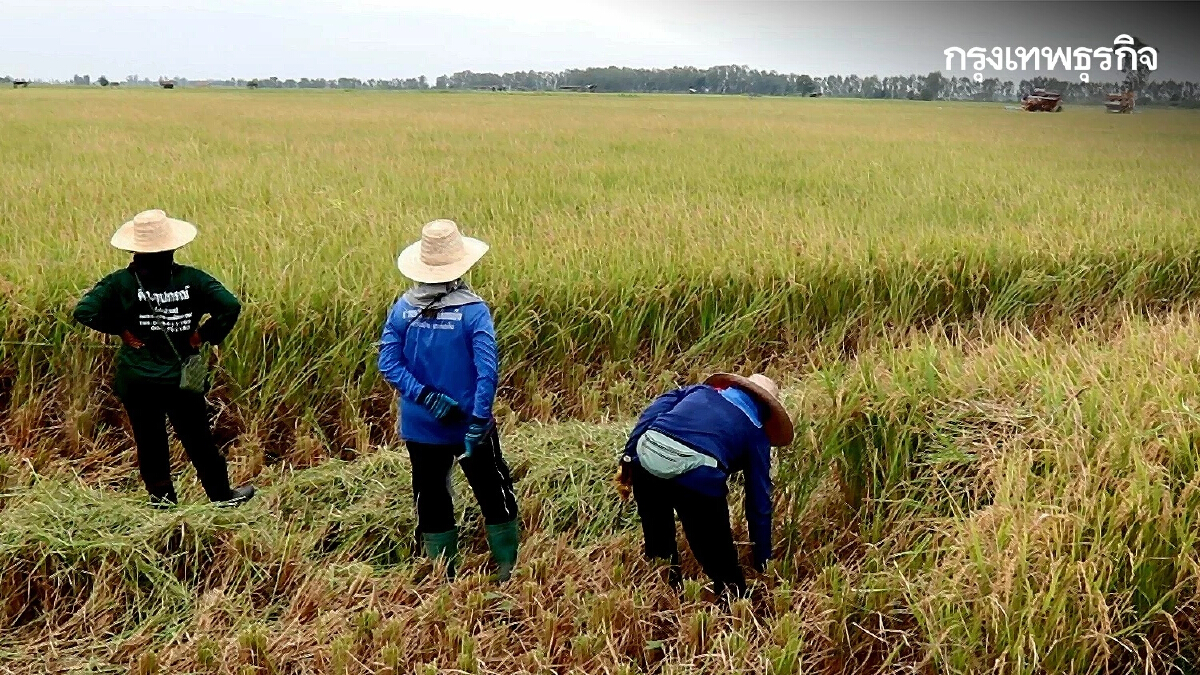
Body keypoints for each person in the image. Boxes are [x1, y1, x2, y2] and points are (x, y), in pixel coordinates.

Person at [74, 209, 255, 507]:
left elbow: (84, 311)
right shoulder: (193, 280)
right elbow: (230, 306)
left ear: (135, 249)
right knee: (198, 438)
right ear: (172, 247)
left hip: (138, 378)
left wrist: (121, 329)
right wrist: (203, 335)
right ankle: (222, 496)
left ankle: (163, 503)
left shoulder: (119, 283)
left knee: (150, 442)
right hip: (181, 378)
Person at [377, 219, 518, 581]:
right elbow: (487, 371)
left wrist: (425, 396)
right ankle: (506, 568)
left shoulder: (403, 309)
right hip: (468, 424)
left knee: (432, 496)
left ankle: (445, 575)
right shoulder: (473, 311)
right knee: (492, 490)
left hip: (421, 426)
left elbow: (388, 363)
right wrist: (478, 421)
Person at [619, 373, 794, 598]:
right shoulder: (756, 433)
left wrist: (628, 456)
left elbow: (652, 413)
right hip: (698, 478)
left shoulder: (698, 391)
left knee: (659, 543)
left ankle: (663, 598)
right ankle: (733, 603)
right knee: (719, 559)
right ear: (766, 410)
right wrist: (763, 560)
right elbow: (758, 503)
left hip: (647, 457)